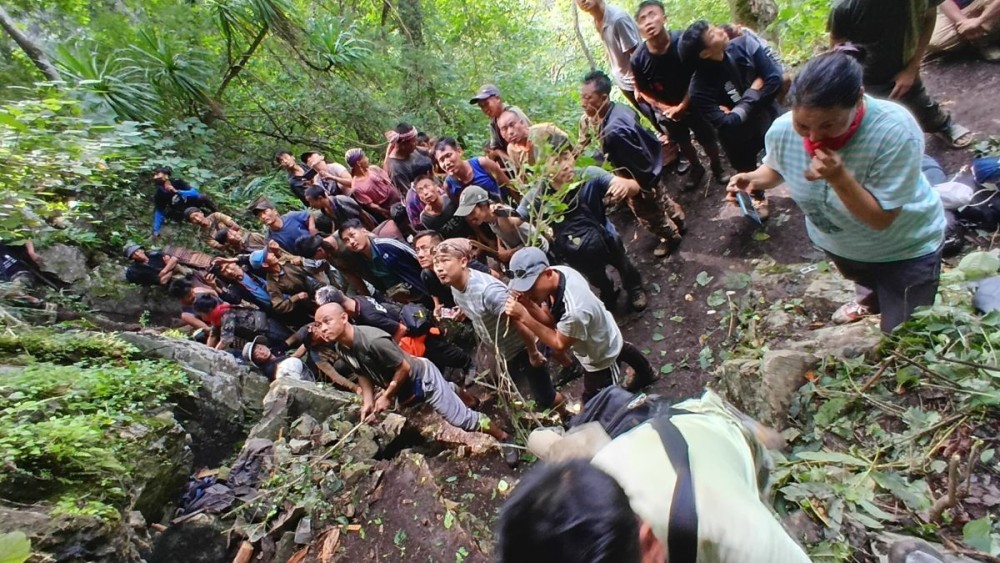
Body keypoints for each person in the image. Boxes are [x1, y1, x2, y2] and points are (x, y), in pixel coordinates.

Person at [727, 49, 945, 332]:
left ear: (858, 98)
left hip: (904, 250)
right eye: (803, 125)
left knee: (903, 333)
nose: (814, 137)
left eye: (829, 124)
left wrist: (839, 177)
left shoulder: (895, 131)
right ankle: (870, 301)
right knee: (865, 281)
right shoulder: (782, 130)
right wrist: (753, 179)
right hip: (842, 245)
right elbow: (777, 168)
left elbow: (881, 219)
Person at [494, 389, 812, 563]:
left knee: (752, 453)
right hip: (656, 446)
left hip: (721, 442)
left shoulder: (739, 535)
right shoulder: (590, 492)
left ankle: (754, 431)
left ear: (650, 544)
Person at [312, 302, 520, 466]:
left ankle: (504, 437)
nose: (323, 328)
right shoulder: (342, 348)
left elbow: (404, 368)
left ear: (344, 317)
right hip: (408, 388)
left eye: (327, 321)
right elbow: (361, 372)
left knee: (461, 419)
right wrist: (368, 401)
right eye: (318, 325)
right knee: (447, 394)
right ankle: (462, 395)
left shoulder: (373, 340)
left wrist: (386, 396)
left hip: (421, 377)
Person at [432, 238, 568, 416]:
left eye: (445, 261)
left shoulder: (489, 293)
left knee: (545, 397)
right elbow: (473, 304)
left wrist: (533, 353)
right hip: (506, 347)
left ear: (463, 262)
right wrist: (463, 311)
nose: (439, 268)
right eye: (436, 263)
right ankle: (567, 364)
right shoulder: (455, 285)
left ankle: (568, 415)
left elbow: (519, 320)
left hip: (523, 347)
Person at [505, 247, 649, 403]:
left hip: (599, 354)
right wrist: (529, 305)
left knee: (597, 402)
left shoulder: (574, 311)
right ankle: (647, 373)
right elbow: (553, 321)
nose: (527, 292)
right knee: (620, 347)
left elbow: (559, 344)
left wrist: (524, 317)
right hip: (601, 328)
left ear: (546, 273)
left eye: (530, 287)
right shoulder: (558, 272)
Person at [829, 0, 974, 148]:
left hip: (902, 63)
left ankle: (941, 124)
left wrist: (912, 68)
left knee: (920, 102)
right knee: (865, 119)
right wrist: (852, 80)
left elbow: (928, 18)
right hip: (865, 73)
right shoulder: (845, 7)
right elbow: (838, 45)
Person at [519, 149, 648, 311]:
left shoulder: (589, 175)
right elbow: (517, 218)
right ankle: (608, 291)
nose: (565, 165)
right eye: (556, 162)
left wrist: (623, 185)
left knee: (624, 264)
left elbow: (634, 187)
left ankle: (634, 288)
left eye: (566, 157)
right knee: (596, 277)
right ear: (544, 171)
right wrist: (497, 214)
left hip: (605, 235)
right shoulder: (539, 195)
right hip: (574, 249)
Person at [679, 21, 783, 219]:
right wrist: (754, 89)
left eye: (713, 27)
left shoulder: (744, 45)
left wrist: (740, 109)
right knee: (745, 168)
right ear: (705, 53)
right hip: (738, 138)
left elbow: (774, 79)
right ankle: (757, 196)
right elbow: (726, 123)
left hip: (767, 118)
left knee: (781, 150)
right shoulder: (699, 89)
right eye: (713, 34)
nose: (720, 30)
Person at [579, 71, 686, 257]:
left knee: (649, 214)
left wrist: (642, 188)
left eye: (588, 98)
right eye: (582, 97)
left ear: (603, 98)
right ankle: (679, 221)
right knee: (662, 199)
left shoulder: (613, 130)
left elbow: (634, 161)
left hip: (638, 178)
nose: (583, 103)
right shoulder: (620, 109)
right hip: (651, 168)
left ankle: (670, 237)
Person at [631, 0, 729, 189]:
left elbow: (698, 72)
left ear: (664, 18)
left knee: (706, 136)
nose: (648, 22)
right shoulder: (638, 59)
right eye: (642, 19)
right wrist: (666, 109)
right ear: (639, 28)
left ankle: (717, 167)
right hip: (667, 109)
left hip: (694, 100)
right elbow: (642, 90)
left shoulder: (682, 42)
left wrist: (683, 105)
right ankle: (696, 168)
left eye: (652, 14)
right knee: (682, 140)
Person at [316, 287, 476, 383]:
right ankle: (452, 367)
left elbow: (400, 329)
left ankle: (469, 364)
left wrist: (389, 347)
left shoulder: (368, 315)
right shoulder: (357, 300)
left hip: (412, 332)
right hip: (406, 324)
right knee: (437, 353)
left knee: (441, 351)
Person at [574, 0, 655, 126]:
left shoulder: (617, 19)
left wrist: (638, 87)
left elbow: (636, 54)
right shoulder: (597, 21)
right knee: (655, 121)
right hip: (624, 81)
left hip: (639, 82)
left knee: (664, 121)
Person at [339, 219, 429, 303]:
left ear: (363, 231)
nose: (351, 242)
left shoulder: (387, 244)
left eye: (352, 235)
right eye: (346, 240)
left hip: (423, 288)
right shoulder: (360, 261)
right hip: (406, 299)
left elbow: (417, 256)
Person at [455, 186, 548, 265]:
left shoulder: (503, 214)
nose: (471, 218)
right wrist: (500, 247)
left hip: (539, 250)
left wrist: (510, 253)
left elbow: (531, 241)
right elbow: (497, 232)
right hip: (526, 255)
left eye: (472, 212)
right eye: (467, 215)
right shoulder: (489, 219)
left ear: (483, 205)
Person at [413, 230, 493, 315]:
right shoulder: (426, 275)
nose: (420, 255)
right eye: (417, 250)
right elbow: (434, 293)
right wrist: (437, 306)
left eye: (424, 249)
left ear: (437, 248)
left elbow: (494, 276)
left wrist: (466, 307)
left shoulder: (460, 264)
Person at [250, 247, 326, 328]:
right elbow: (278, 306)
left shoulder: (285, 259)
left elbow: (308, 262)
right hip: (313, 301)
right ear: (265, 264)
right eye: (267, 255)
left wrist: (300, 261)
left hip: (322, 282)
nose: (271, 254)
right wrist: (297, 297)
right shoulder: (272, 284)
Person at [193, 294, 293, 353]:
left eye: (201, 314)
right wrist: (207, 350)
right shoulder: (217, 317)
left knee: (291, 340)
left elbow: (226, 340)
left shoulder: (226, 314)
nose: (201, 317)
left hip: (269, 328)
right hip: (260, 333)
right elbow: (213, 334)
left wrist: (213, 353)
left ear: (209, 310)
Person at [496, 110, 571, 178]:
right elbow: (523, 174)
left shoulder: (545, 130)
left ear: (522, 123)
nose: (510, 132)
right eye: (504, 129)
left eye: (512, 125)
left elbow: (570, 148)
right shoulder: (511, 150)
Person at [433, 137, 511, 201]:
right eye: (441, 160)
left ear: (459, 151)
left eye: (449, 155)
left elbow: (510, 187)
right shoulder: (448, 185)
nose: (447, 162)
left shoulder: (482, 164)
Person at [469, 84, 530, 164]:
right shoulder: (493, 121)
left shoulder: (513, 114)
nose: (485, 109)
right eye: (482, 106)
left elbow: (530, 137)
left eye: (487, 104)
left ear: (498, 98)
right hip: (513, 159)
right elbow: (495, 148)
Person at [151, 167, 217, 239]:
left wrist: (178, 191)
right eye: (154, 175)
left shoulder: (177, 182)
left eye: (157, 174)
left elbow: (194, 193)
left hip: (192, 202)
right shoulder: (159, 194)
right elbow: (159, 211)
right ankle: (205, 229)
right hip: (183, 210)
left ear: (166, 175)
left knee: (202, 197)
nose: (155, 177)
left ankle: (217, 213)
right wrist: (156, 230)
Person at [927, 0, 1000, 61]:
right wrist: (963, 23)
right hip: (957, 8)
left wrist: (981, 19)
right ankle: (976, 35)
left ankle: (986, 39)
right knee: (935, 41)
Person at [344, 148, 402, 222]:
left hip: (398, 197)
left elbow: (390, 181)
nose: (367, 159)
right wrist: (386, 212)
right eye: (364, 157)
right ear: (359, 163)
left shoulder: (373, 169)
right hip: (388, 207)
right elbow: (371, 205)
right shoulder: (356, 187)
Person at [415, 175, 478, 241]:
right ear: (420, 198)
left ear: (436, 187)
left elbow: (470, 217)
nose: (425, 192)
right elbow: (440, 239)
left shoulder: (451, 198)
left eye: (427, 187)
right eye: (420, 191)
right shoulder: (425, 218)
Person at [383, 122, 434, 202]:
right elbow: (411, 195)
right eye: (413, 142)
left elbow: (427, 152)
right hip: (425, 199)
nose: (415, 143)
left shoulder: (411, 150)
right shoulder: (396, 170)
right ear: (402, 144)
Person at [248, 197, 315, 253]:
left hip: (316, 244)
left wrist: (312, 230)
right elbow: (281, 255)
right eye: (259, 216)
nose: (263, 217)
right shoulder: (269, 238)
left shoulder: (291, 216)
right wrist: (276, 251)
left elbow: (310, 215)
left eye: (265, 212)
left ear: (275, 211)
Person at [303, 186, 376, 231]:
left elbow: (362, 214)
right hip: (354, 230)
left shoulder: (342, 201)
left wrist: (373, 230)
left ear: (320, 198)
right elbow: (335, 221)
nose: (310, 205)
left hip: (366, 227)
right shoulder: (324, 210)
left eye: (311, 201)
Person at [242, 335, 312, 381]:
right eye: (257, 354)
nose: (262, 352)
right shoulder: (269, 369)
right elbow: (293, 358)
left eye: (260, 348)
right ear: (258, 361)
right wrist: (310, 340)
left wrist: (302, 331)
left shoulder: (273, 350)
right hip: (304, 378)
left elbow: (288, 341)